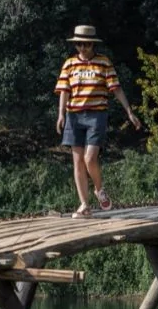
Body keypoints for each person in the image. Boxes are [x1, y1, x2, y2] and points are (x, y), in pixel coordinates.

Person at [55, 24, 140, 216]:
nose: (82, 48)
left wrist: (129, 111)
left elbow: (116, 88)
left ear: (93, 44)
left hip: (96, 115)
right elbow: (64, 91)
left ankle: (99, 190)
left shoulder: (103, 62)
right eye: (79, 45)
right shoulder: (69, 64)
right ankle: (85, 205)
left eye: (86, 44)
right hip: (74, 115)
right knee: (77, 161)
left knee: (89, 158)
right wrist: (61, 114)